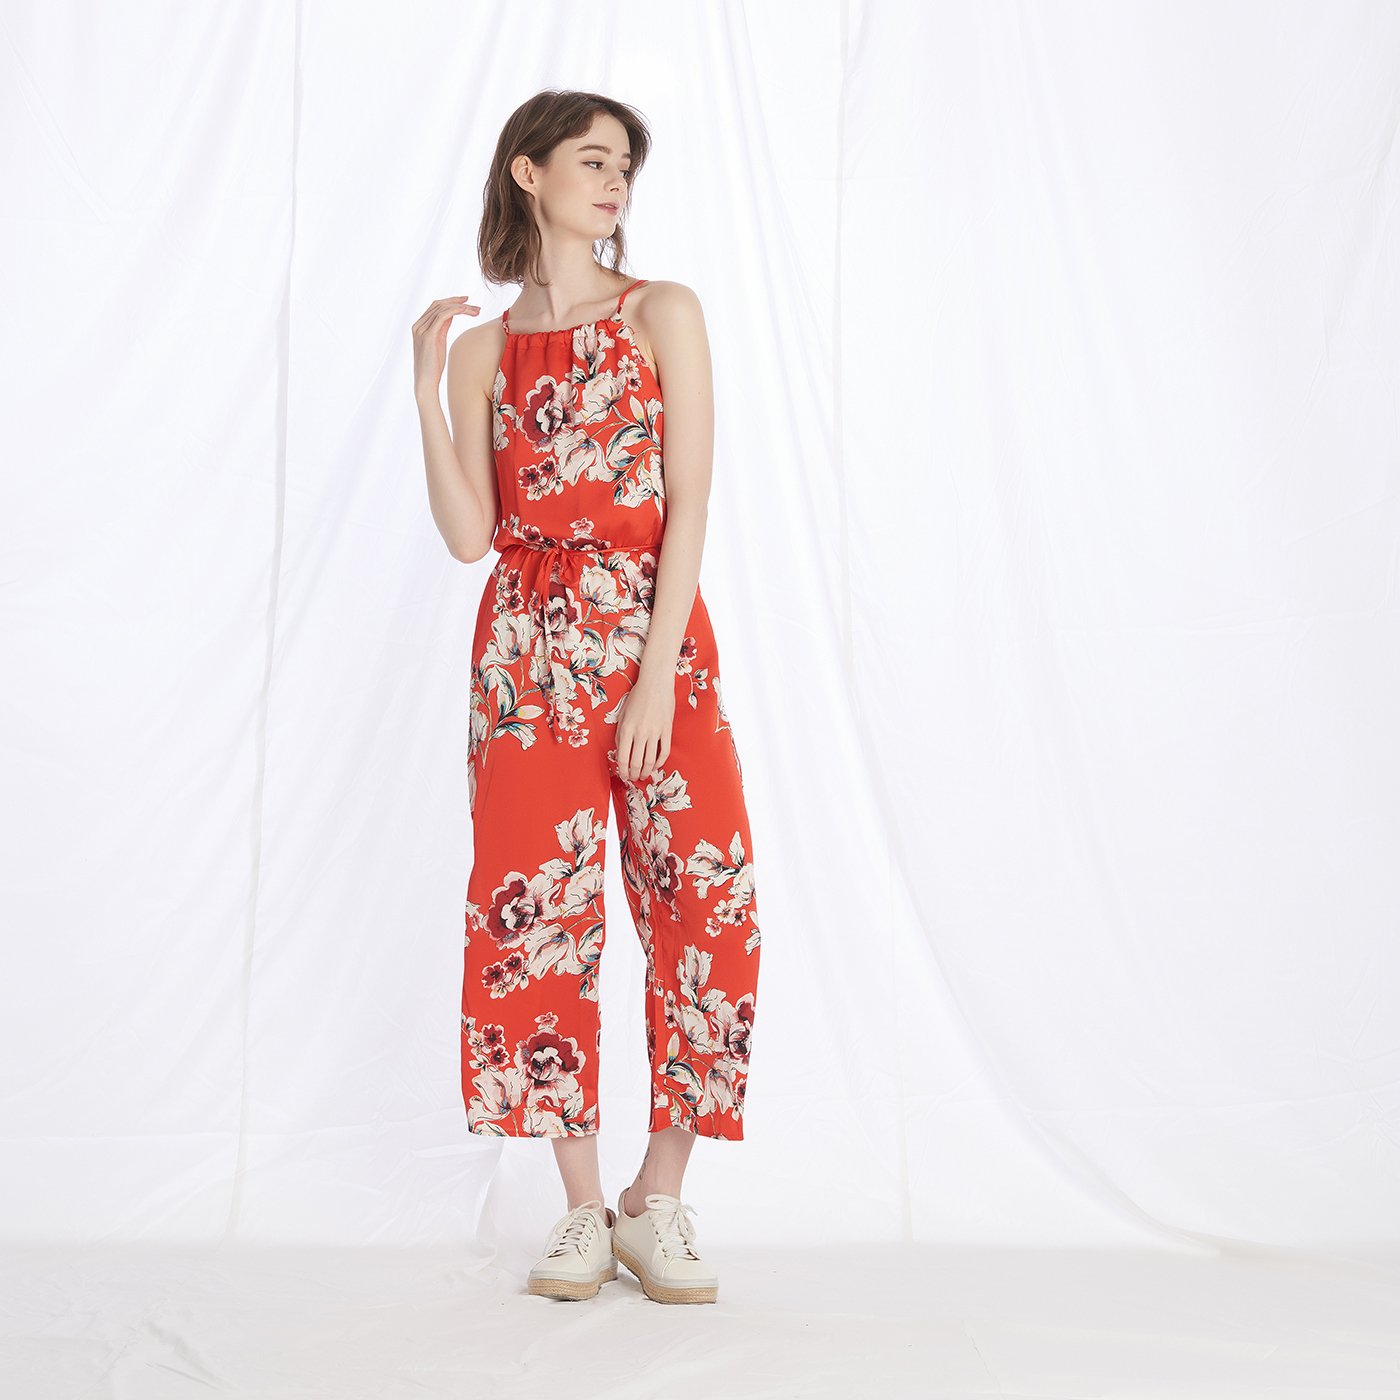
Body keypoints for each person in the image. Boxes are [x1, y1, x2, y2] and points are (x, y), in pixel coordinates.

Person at [410, 90, 762, 1306]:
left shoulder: (663, 311)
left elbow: (688, 501)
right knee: (535, 915)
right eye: (592, 159)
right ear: (528, 172)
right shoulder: (482, 352)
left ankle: (655, 1196)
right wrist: (425, 388)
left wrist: (655, 673)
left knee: (703, 900)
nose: (615, 183)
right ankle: (577, 1205)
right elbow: (470, 535)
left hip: (654, 640)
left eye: (625, 166)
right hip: (523, 655)